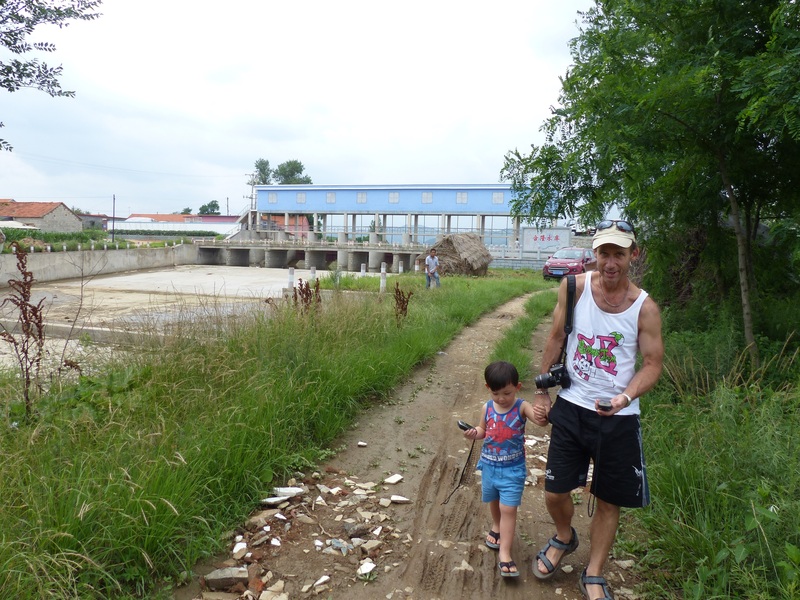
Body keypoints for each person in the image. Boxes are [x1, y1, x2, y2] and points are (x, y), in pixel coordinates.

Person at [531, 220, 664, 600]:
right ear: (594, 254)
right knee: (555, 491)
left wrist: (625, 397)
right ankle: (564, 536)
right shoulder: (573, 288)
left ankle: (593, 571)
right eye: (604, 252)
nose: (610, 262)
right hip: (572, 407)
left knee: (608, 498)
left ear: (632, 255)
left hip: (618, 417)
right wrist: (543, 394)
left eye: (618, 254)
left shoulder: (645, 308)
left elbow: (653, 363)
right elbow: (556, 337)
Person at [463, 361, 538, 578]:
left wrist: (542, 409)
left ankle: (504, 552)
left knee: (509, 509)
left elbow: (540, 420)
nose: (502, 399)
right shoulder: (487, 407)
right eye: (496, 393)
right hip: (489, 466)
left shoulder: (522, 406)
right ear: (488, 389)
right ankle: (496, 526)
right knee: (493, 501)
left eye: (507, 392)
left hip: (513, 469)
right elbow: (482, 431)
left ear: (518, 386)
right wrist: (472, 433)